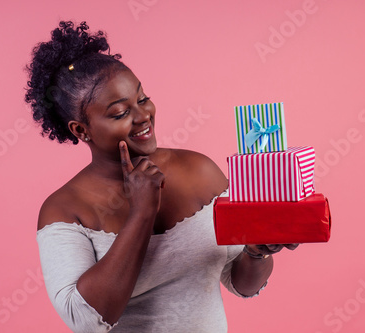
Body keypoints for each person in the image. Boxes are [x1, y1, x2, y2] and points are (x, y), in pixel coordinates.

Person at [26, 21, 296, 333]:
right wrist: (142, 212)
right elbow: (87, 321)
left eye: (142, 99)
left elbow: (241, 284)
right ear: (81, 130)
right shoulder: (64, 210)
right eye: (119, 113)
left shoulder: (199, 171)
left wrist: (256, 251)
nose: (143, 117)